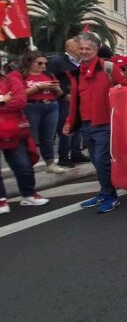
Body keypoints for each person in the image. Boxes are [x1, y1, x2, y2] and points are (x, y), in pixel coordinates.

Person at [63, 33, 120, 214]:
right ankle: (105, 192)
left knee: (101, 161)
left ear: (96, 49)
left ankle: (110, 196)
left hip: (104, 124)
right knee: (96, 162)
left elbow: (126, 88)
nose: (84, 51)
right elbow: (76, 101)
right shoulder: (77, 72)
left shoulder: (108, 68)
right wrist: (69, 121)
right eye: (81, 48)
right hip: (86, 125)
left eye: (88, 48)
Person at [0, 66, 50, 215]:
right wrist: (4, 100)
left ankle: (28, 194)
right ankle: (1, 199)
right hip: (12, 126)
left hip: (14, 131)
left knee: (24, 165)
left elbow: (20, 101)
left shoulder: (11, 80)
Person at [21, 51, 66, 174]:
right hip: (32, 106)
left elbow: (60, 93)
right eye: (39, 63)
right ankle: (27, 164)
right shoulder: (23, 76)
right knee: (30, 137)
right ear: (29, 62)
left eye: (45, 63)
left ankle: (50, 163)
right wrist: (38, 87)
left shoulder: (49, 75)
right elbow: (20, 94)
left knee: (48, 137)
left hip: (51, 105)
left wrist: (56, 89)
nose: (43, 66)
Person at [47, 38, 87, 167]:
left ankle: (76, 154)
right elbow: (50, 80)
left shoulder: (82, 63)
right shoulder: (57, 61)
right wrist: (63, 95)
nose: (83, 49)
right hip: (64, 101)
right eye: (79, 46)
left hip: (80, 100)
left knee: (78, 127)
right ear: (71, 47)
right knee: (67, 128)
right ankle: (63, 157)